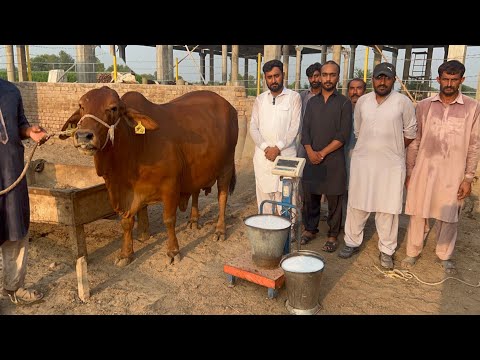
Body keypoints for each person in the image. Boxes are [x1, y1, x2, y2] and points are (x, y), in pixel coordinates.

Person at [401, 60, 480, 274]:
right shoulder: (425, 106)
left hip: (453, 172)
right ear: (438, 79)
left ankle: (444, 255)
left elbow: (474, 144)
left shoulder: (473, 108)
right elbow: (415, 141)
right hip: (424, 169)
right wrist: (410, 171)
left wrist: (468, 177)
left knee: (450, 214)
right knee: (419, 211)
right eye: (445, 78)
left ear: (462, 80)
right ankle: (413, 251)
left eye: (454, 80)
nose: (449, 83)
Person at [338, 62, 417, 269]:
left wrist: (391, 147)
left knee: (388, 209)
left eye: (387, 78)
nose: (382, 82)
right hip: (363, 163)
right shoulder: (363, 101)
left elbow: (410, 133)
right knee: (357, 204)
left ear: (393, 80)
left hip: (391, 166)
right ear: (372, 79)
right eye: (379, 77)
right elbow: (358, 131)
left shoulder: (403, 102)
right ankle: (351, 242)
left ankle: (387, 250)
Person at [1, 78, 47, 305]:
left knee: (15, 228)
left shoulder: (11, 90)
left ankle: (14, 287)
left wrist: (30, 132)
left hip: (11, 172)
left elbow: (18, 126)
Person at [300, 60, 352, 251]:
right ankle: (310, 229)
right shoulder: (312, 102)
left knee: (334, 198)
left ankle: (332, 234)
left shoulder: (344, 103)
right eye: (325, 75)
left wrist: (321, 153)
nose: (328, 79)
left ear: (338, 77)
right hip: (312, 157)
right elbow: (304, 131)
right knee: (310, 195)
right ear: (320, 76)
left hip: (333, 159)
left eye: (332, 75)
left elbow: (343, 135)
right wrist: (310, 151)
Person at [249, 59, 301, 215]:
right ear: (265, 78)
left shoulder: (294, 97)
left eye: (276, 76)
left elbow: (295, 127)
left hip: (285, 155)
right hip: (263, 157)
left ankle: (288, 235)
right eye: (269, 77)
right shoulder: (260, 99)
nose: (273, 80)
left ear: (283, 75)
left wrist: (278, 147)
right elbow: (253, 127)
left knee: (286, 196)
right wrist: (266, 148)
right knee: (264, 197)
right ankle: (267, 235)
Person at [342, 78, 367, 226]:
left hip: (362, 160)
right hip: (343, 157)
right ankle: (345, 224)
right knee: (344, 192)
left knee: (359, 193)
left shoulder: (369, 111)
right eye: (352, 88)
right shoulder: (343, 108)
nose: (355, 92)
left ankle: (355, 226)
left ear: (364, 91)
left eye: (358, 88)